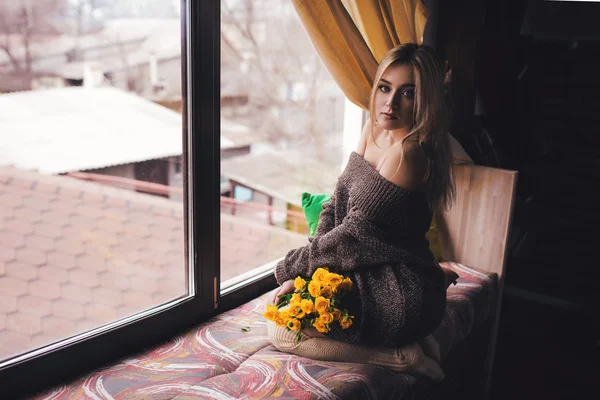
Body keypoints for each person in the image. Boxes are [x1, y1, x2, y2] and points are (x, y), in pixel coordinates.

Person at [267, 43, 455, 381]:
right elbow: (335, 203)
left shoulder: (407, 154)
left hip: (397, 288)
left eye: (407, 93)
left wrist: (290, 268)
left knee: (280, 333)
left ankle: (402, 356)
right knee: (290, 311)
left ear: (425, 101)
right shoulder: (374, 128)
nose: (390, 103)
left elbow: (353, 238)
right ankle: (416, 340)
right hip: (366, 269)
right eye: (385, 87)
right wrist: (306, 275)